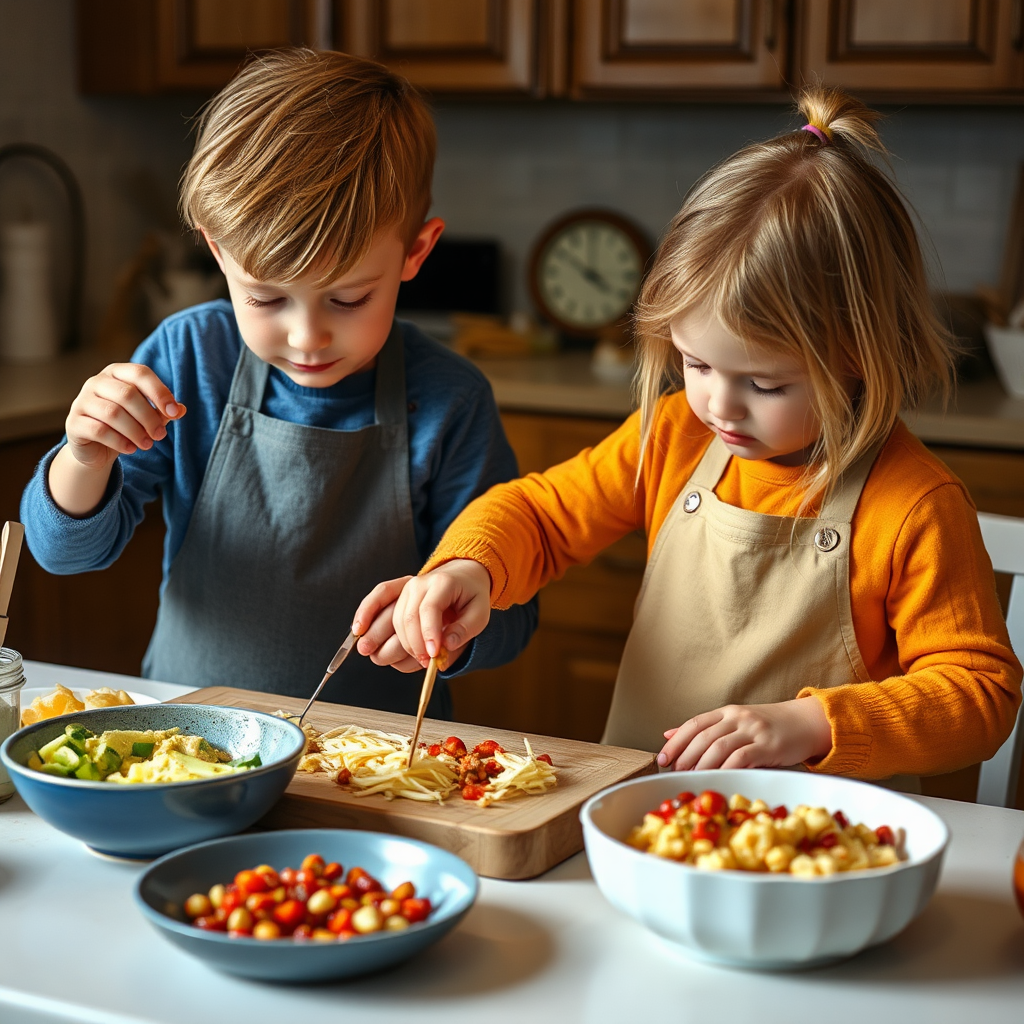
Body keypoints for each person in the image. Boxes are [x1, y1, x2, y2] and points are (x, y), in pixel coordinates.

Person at [357, 86, 1022, 782]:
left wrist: (808, 723)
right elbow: (541, 514)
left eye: (764, 384)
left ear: (859, 354)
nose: (719, 405)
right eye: (696, 363)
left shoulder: (913, 504)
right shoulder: (675, 435)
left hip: (819, 848)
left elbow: (979, 694)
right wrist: (473, 567)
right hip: (645, 818)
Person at [20, 48, 536, 717]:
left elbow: (515, 620)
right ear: (216, 250)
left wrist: (452, 623)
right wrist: (84, 457)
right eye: (266, 300)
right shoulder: (188, 357)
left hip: (374, 766)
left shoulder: (449, 400)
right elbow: (65, 555)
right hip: (189, 741)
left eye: (348, 300)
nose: (306, 337)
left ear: (416, 251)